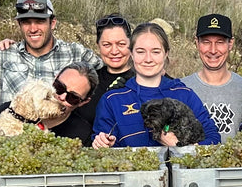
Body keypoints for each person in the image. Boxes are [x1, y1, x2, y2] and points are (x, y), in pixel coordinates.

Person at [92, 22, 220, 147]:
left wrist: (179, 147)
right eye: (141, 51)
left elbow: (213, 139)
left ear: (166, 54)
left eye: (156, 52)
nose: (148, 59)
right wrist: (104, 143)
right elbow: (104, 149)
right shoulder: (112, 100)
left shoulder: (184, 94)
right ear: (131, 53)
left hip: (176, 168)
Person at [0, 0, 104, 106]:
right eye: (26, 22)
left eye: (39, 21)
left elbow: (112, 70)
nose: (33, 29)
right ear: (19, 24)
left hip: (59, 133)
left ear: (52, 23)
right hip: (12, 132)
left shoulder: (76, 53)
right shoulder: (3, 53)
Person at [0, 62, 99, 141]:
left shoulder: (82, 134)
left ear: (83, 102)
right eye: (59, 87)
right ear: (55, 78)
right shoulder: (7, 111)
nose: (62, 97)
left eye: (73, 97)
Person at [180, 13, 242, 137]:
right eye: (206, 42)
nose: (213, 50)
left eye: (220, 42)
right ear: (197, 43)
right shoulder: (180, 88)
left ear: (230, 44)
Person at [93, 13, 136, 95]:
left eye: (121, 44)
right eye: (107, 45)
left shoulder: (147, 79)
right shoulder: (90, 81)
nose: (114, 51)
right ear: (98, 46)